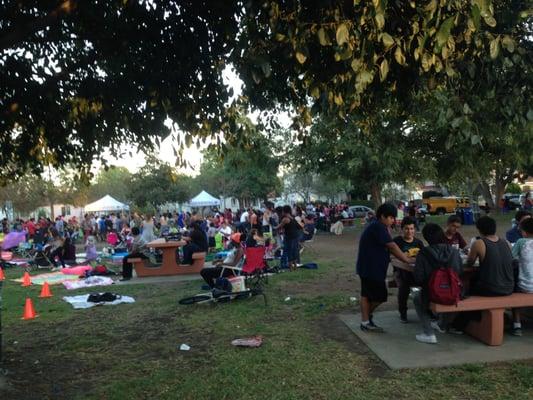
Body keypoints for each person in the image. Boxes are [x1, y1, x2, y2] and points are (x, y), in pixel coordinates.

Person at [356, 203, 415, 332]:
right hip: (371, 268)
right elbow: (392, 246)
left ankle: (365, 321)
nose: (393, 220)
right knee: (379, 296)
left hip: (368, 267)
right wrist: (407, 260)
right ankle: (366, 318)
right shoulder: (378, 227)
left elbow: (387, 247)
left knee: (367, 295)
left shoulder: (378, 226)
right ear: (382, 216)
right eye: (391, 217)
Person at [412, 223, 462, 344]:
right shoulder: (454, 251)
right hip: (452, 291)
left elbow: (418, 278)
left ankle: (428, 333)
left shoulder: (423, 253)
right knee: (459, 294)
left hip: (431, 293)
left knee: (417, 297)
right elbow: (459, 271)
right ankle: (442, 324)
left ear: (426, 238)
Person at [393, 217, 424, 323]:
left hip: (416, 272)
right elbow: (393, 257)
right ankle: (403, 313)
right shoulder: (396, 242)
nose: (409, 231)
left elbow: (423, 258)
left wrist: (409, 259)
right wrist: (407, 259)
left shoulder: (419, 243)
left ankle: (428, 311)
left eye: (411, 229)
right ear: (402, 229)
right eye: (407, 229)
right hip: (400, 272)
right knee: (403, 287)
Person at [511, 217, 533, 336]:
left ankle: (517, 325)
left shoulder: (521, 242)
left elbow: (510, 258)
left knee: (513, 287)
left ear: (524, 232)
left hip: (525, 287)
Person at [275, 205, 303, 271]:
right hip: (295, 236)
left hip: (289, 237)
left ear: (284, 211)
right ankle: (295, 266)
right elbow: (299, 226)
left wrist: (273, 227)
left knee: (289, 251)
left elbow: (279, 227)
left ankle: (290, 268)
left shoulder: (285, 219)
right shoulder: (292, 217)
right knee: (295, 251)